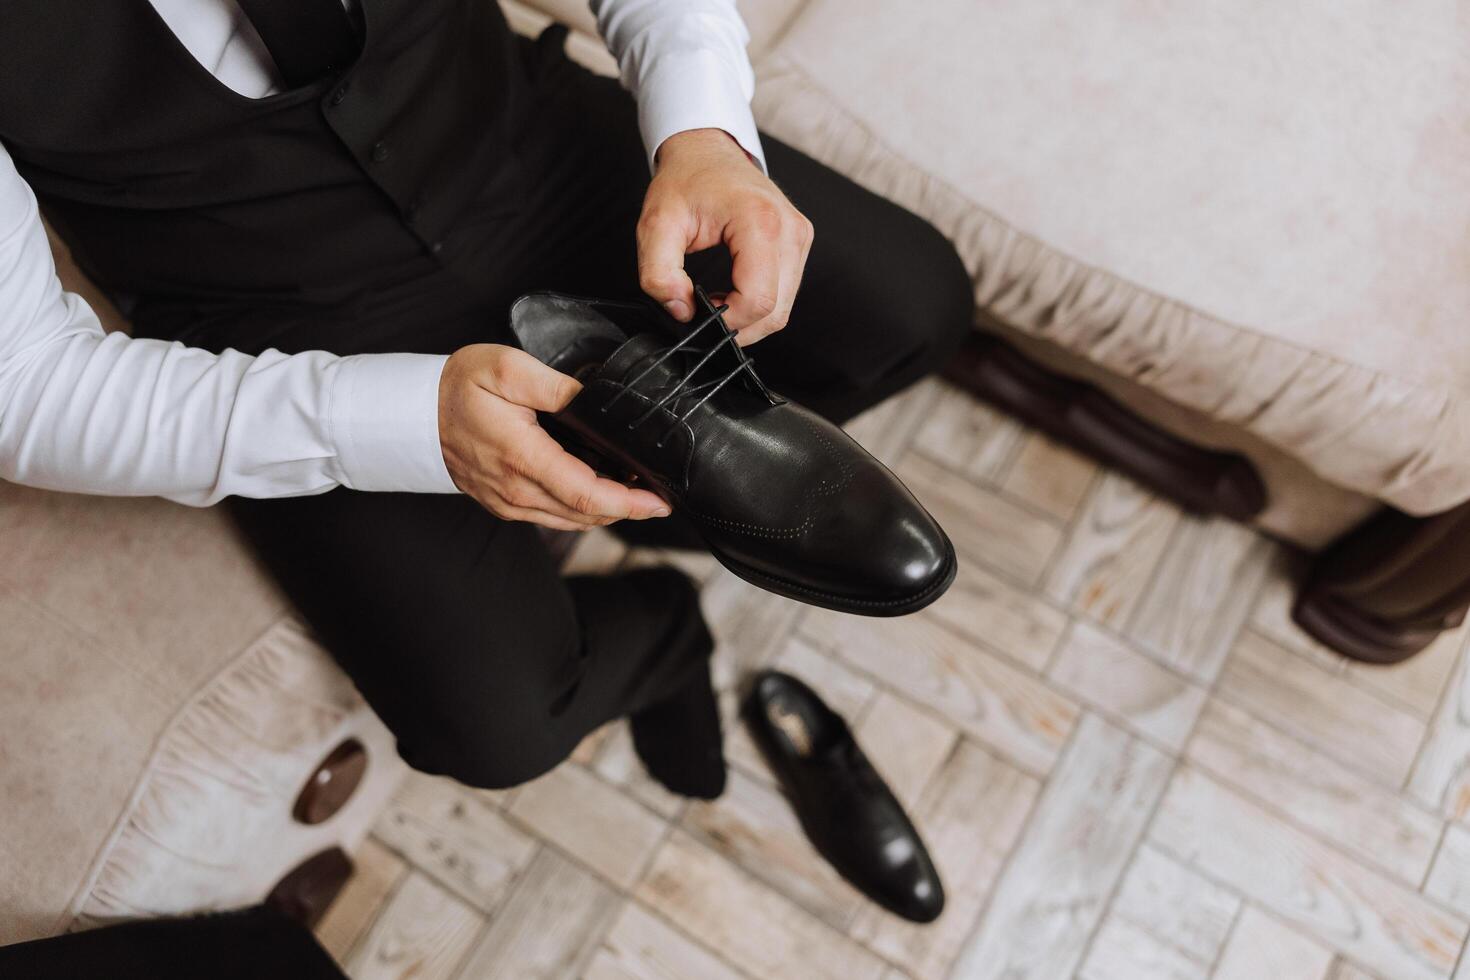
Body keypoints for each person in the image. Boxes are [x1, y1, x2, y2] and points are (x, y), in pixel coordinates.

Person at [0, 0, 970, 956]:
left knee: (915, 300)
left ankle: (672, 502)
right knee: (496, 727)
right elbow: (23, 385)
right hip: (279, 312)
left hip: (513, 138)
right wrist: (395, 423)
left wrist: (703, 125)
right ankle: (669, 627)